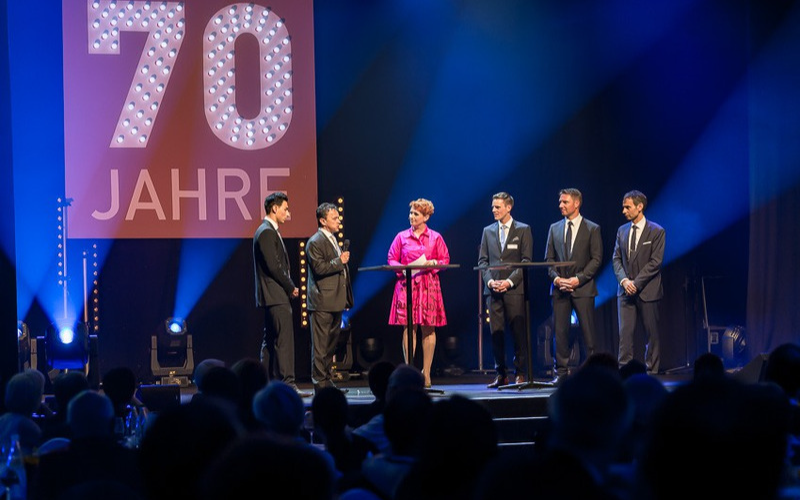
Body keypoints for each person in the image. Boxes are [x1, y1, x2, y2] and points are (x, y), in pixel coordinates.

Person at [387, 198, 450, 388]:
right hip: (408, 285)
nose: (411, 217)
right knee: (409, 327)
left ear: (426, 217)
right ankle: (409, 372)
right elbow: (391, 259)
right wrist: (404, 267)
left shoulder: (435, 237)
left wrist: (434, 264)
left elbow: (445, 259)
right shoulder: (401, 237)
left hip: (428, 286)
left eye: (416, 214)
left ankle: (427, 373)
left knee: (429, 328)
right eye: (411, 213)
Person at [253, 191, 310, 397]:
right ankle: (288, 383)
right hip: (275, 295)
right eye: (285, 209)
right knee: (283, 340)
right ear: (274, 208)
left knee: (270, 341)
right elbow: (274, 266)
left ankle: (263, 383)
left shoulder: (267, 230)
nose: (288, 212)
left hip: (272, 295)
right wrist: (290, 286)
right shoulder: (267, 231)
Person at [545, 188, 603, 383]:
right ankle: (560, 373)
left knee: (588, 333)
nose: (560, 205)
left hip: (583, 288)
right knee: (559, 333)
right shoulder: (554, 228)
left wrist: (578, 279)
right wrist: (557, 279)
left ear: (576, 203)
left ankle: (593, 373)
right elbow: (549, 260)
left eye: (565, 202)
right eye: (560, 202)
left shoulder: (592, 228)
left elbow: (596, 259)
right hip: (560, 289)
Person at [478, 192, 533, 388]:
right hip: (493, 291)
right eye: (493, 207)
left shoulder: (523, 229)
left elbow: (526, 261)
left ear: (508, 207)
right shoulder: (488, 231)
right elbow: (482, 261)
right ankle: (501, 374)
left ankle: (520, 372)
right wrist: (490, 281)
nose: (494, 210)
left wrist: (509, 282)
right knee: (496, 333)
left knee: (518, 332)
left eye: (497, 207)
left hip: (514, 289)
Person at [612, 190, 665, 375]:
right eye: (623, 207)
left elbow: (655, 262)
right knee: (625, 335)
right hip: (625, 291)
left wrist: (636, 282)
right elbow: (616, 259)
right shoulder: (622, 231)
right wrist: (625, 281)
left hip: (648, 291)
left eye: (627, 207)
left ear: (639, 207)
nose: (624, 211)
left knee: (652, 334)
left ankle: (652, 372)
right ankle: (625, 371)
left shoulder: (657, 231)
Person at [307, 202, 354, 394]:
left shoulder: (333, 239)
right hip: (322, 302)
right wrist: (339, 261)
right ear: (323, 220)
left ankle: (327, 381)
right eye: (334, 218)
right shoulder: (315, 242)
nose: (338, 221)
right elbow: (319, 268)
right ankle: (320, 385)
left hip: (335, 301)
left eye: (338, 217)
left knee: (330, 346)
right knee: (320, 347)